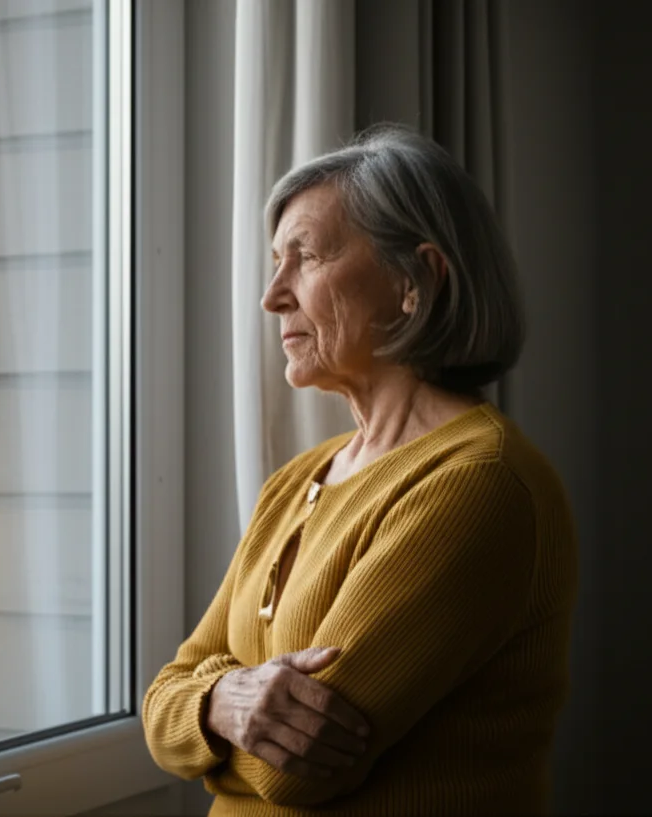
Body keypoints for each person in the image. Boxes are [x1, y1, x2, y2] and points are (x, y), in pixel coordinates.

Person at [142, 124, 578, 816]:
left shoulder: (479, 482)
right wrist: (223, 700)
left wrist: (206, 718)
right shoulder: (296, 481)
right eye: (274, 261)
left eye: (305, 257)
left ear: (415, 280)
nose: (272, 295)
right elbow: (162, 697)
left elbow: (296, 773)